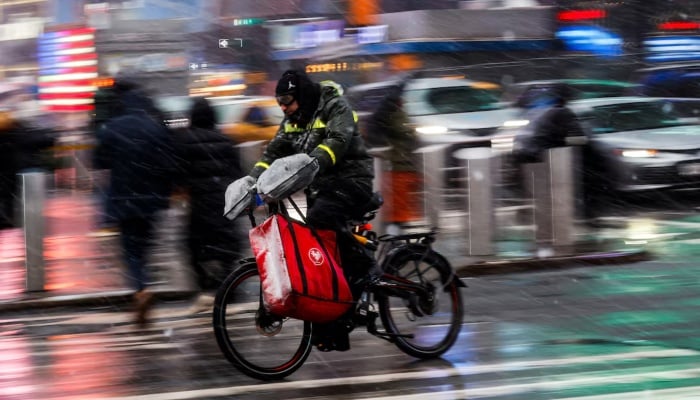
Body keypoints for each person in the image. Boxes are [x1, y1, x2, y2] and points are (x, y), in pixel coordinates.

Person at [232, 69, 378, 351]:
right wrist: (253, 181)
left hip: (353, 181)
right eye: (280, 103)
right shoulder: (293, 119)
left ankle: (365, 264)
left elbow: (337, 140)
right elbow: (273, 153)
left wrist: (313, 164)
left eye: (288, 101)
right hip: (321, 187)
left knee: (320, 220)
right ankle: (334, 321)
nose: (284, 108)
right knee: (316, 245)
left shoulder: (335, 106)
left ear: (303, 95)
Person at [94, 81, 175, 327]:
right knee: (144, 246)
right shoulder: (154, 127)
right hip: (150, 199)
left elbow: (99, 161)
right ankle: (143, 286)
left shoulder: (113, 127)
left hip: (124, 197)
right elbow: (168, 163)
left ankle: (140, 289)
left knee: (130, 251)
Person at [175, 97, 244, 292]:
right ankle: (228, 281)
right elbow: (237, 173)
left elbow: (180, 174)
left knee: (194, 245)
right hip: (223, 201)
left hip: (199, 204)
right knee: (228, 243)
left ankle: (204, 283)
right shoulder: (226, 140)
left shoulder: (184, 141)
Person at [367, 82, 421, 233]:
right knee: (399, 204)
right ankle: (395, 230)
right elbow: (406, 133)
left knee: (399, 202)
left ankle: (395, 226)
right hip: (399, 165)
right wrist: (412, 130)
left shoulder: (388, 112)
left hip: (399, 164)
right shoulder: (393, 113)